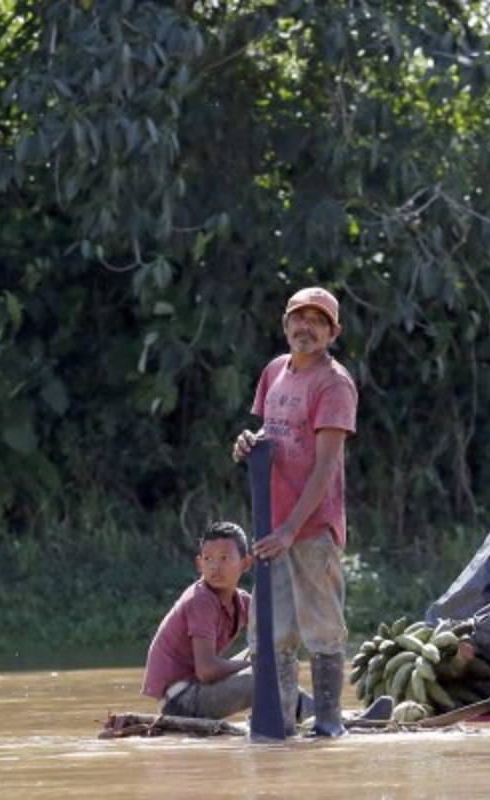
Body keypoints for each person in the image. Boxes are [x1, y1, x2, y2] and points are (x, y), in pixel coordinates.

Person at [231, 286, 357, 737]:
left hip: (311, 529)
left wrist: (290, 529)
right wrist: (248, 442)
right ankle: (277, 724)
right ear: (285, 324)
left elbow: (325, 466)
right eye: (299, 319)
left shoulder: (334, 384)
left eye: (318, 321)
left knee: (323, 630)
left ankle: (328, 724)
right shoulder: (273, 373)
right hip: (272, 526)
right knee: (272, 633)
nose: (307, 327)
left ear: (333, 332)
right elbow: (270, 435)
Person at [141, 521, 255, 719]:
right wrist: (254, 667)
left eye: (224, 558)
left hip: (199, 688)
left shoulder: (243, 601)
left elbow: (274, 637)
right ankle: (296, 722)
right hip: (180, 701)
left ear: (245, 563)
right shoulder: (201, 600)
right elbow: (207, 670)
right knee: (268, 674)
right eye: (208, 559)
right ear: (199, 564)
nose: (214, 567)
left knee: (278, 661)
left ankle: (311, 716)